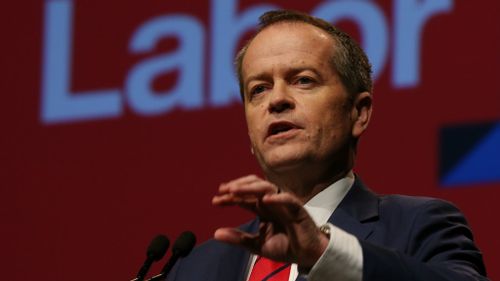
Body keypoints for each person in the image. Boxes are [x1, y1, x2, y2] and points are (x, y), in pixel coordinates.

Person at [166, 10, 488, 281]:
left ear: (358, 113)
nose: (276, 100)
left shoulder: (419, 226)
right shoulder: (194, 267)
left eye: (303, 80)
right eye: (259, 89)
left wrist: (324, 252)